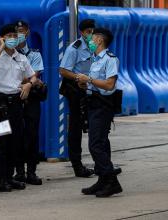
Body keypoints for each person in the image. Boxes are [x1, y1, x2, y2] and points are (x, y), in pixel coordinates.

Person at [0, 24, 38, 192]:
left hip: (16, 102)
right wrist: (1, 46)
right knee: (1, 141)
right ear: (1, 38)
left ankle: (9, 176)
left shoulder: (21, 57)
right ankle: (0, 179)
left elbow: (33, 75)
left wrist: (29, 84)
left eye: (15, 36)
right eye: (9, 36)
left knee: (15, 141)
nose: (13, 39)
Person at [76, 28, 123, 197]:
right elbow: (97, 82)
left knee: (95, 145)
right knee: (100, 143)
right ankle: (103, 179)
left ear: (99, 40)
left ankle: (112, 181)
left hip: (103, 106)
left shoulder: (110, 59)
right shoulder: (96, 59)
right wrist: (86, 84)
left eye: (92, 37)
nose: (89, 39)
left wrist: (89, 79)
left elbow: (110, 85)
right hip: (93, 103)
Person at [59, 19, 95, 177]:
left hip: (93, 91)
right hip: (77, 92)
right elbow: (63, 71)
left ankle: (102, 163)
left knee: (97, 128)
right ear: (82, 33)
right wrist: (78, 78)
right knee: (76, 129)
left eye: (93, 31)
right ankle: (77, 165)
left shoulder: (95, 47)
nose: (91, 34)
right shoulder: (74, 49)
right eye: (88, 32)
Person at [13, 20, 44, 185]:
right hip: (14, 98)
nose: (19, 35)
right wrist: (28, 78)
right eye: (16, 31)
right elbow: (27, 76)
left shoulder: (34, 54)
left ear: (28, 32)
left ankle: (31, 171)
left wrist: (27, 79)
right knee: (16, 134)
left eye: (22, 31)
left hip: (31, 99)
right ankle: (19, 172)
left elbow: (35, 75)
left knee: (32, 134)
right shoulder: (9, 54)